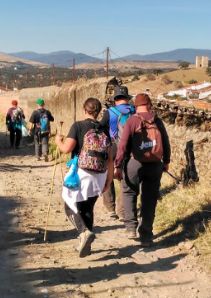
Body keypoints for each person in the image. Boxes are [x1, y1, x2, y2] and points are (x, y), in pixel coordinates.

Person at [55, 98, 114, 257]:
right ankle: (85, 244)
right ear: (98, 112)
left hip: (81, 173)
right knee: (88, 208)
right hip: (100, 174)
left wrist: (58, 141)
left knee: (69, 205)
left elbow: (66, 149)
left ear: (84, 110)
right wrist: (109, 179)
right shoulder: (105, 129)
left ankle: (84, 232)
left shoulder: (78, 126)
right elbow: (110, 158)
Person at [114, 93, 171, 248]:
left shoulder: (132, 120)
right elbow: (165, 142)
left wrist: (118, 165)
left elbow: (123, 144)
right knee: (149, 199)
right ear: (150, 105)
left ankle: (131, 227)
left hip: (134, 163)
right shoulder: (157, 121)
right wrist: (166, 162)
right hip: (154, 164)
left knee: (129, 191)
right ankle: (146, 236)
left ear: (135, 105)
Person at [99, 86, 134, 220]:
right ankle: (122, 209)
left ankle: (110, 209)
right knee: (125, 179)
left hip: (113, 146)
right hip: (129, 148)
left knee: (108, 176)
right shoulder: (134, 111)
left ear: (115, 100)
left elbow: (100, 127)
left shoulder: (110, 112)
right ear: (127, 99)